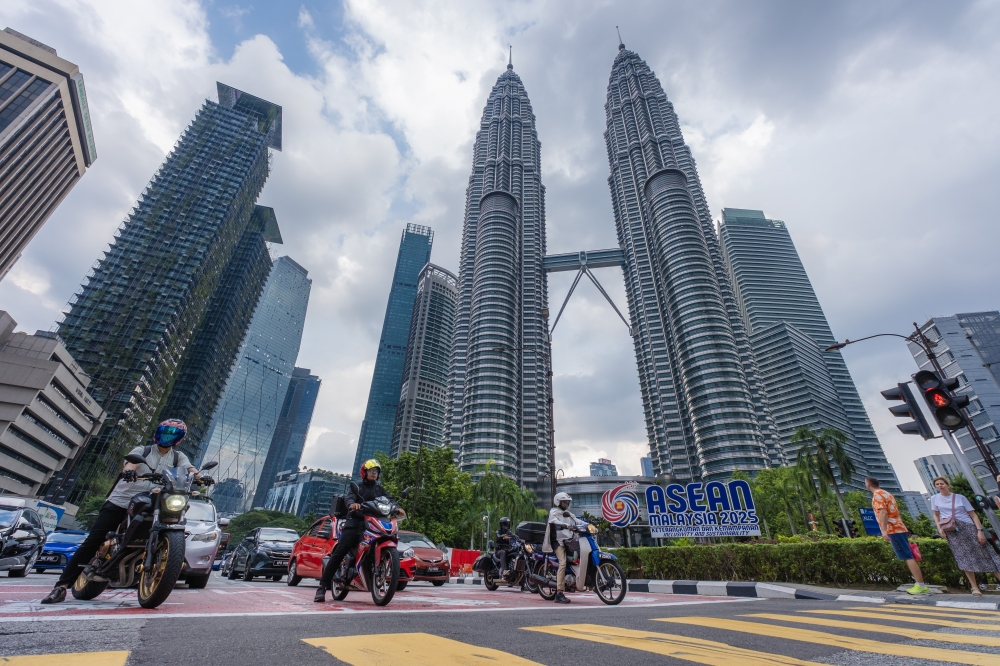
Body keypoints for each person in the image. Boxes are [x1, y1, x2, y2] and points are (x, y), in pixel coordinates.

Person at [41, 419, 209, 604]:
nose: (167, 436)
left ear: (179, 439)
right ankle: (61, 586)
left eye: (172, 434)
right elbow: (130, 464)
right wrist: (129, 471)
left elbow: (190, 469)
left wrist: (202, 477)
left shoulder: (178, 457)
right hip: (122, 501)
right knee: (94, 539)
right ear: (157, 432)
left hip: (156, 502)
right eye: (164, 431)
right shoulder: (141, 450)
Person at [316, 459, 401, 602]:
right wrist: (352, 504)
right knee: (341, 550)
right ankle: (322, 587)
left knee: (388, 536)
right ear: (364, 472)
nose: (374, 473)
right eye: (371, 470)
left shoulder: (380, 490)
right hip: (356, 522)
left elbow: (390, 500)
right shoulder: (358, 487)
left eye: (376, 471)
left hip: (375, 522)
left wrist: (396, 507)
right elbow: (349, 498)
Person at [931, 476, 1000, 597]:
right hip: (952, 531)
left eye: (942, 483)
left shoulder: (959, 498)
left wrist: (979, 531)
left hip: (968, 528)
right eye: (937, 484)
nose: (940, 486)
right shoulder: (934, 499)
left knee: (987, 554)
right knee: (963, 558)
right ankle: (974, 587)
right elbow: (936, 515)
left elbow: (973, 515)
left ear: (947, 484)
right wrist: (939, 527)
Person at [865, 476, 929, 595]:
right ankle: (920, 584)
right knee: (908, 555)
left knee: (907, 556)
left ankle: (920, 585)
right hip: (899, 527)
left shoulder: (877, 495)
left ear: (868, 484)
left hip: (893, 529)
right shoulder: (886, 493)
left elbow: (883, 512)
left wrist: (884, 531)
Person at [543, 491, 577, 604]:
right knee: (563, 562)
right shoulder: (554, 512)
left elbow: (576, 520)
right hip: (558, 542)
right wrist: (565, 525)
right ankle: (559, 593)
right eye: (564, 502)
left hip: (568, 541)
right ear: (558, 502)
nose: (566, 504)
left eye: (567, 502)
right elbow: (554, 521)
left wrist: (589, 524)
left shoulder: (567, 513)